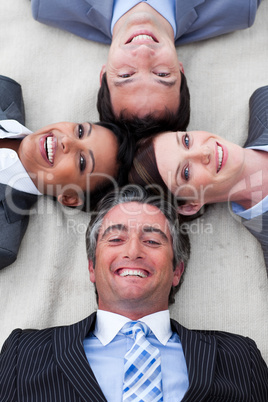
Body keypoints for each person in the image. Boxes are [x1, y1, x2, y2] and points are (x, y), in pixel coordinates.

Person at [1, 185, 267, 401]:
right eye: (115, 239)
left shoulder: (238, 356)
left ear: (177, 270)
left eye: (152, 241)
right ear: (92, 267)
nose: (133, 251)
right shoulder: (23, 354)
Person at [31, 0, 262, 132]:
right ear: (180, 71)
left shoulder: (49, 4)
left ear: (104, 73)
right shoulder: (238, 6)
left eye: (125, 74)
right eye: (161, 74)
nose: (143, 53)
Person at [129, 85, 268, 276]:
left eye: (186, 141)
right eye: (186, 172)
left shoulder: (263, 101)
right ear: (189, 206)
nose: (204, 152)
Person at [0, 75, 133, 269]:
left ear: (70, 197)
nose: (67, 141)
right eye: (80, 131)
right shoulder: (5, 91)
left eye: (81, 161)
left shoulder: (3, 239)